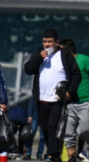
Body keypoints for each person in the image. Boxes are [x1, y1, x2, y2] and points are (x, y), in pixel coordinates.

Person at [23, 29, 81, 162]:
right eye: (45, 42)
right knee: (45, 129)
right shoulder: (40, 54)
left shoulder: (65, 55)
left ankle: (50, 155)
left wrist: (69, 92)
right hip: (42, 100)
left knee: (53, 127)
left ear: (56, 42)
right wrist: (39, 57)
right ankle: (55, 155)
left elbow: (76, 74)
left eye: (50, 42)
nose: (47, 45)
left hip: (57, 100)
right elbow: (28, 69)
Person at [57, 38, 89, 162]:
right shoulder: (63, 63)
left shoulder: (85, 60)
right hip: (69, 102)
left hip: (85, 101)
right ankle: (72, 156)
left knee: (84, 130)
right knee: (69, 131)